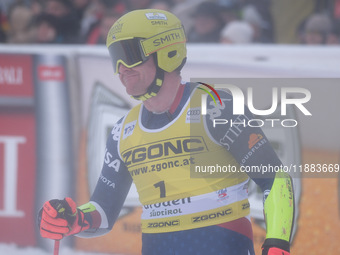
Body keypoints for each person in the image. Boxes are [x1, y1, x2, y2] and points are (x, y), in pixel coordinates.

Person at [38, 9, 294, 255]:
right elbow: (104, 211)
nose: (121, 68)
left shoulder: (216, 107)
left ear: (166, 52)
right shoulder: (123, 131)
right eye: (115, 58)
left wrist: (277, 243)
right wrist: (73, 219)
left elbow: (275, 178)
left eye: (129, 54)